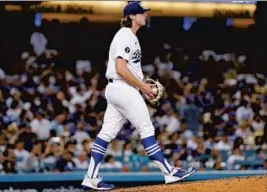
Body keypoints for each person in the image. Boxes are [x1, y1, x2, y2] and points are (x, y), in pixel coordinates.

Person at [81, 2, 196, 190]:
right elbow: (120, 68)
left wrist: (141, 85)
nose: (145, 15)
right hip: (122, 88)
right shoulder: (125, 35)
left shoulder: (131, 37)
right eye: (141, 13)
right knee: (146, 127)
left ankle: (90, 177)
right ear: (131, 16)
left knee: (106, 133)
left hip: (117, 89)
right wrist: (142, 86)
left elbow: (126, 69)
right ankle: (169, 172)